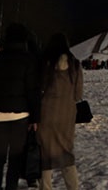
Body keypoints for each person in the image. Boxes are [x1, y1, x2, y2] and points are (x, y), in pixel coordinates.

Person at [0, 23, 41, 190]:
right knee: (15, 157)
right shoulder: (28, 60)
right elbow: (33, 91)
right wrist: (35, 117)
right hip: (20, 116)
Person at [37, 33, 83, 190]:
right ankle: (73, 187)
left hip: (46, 114)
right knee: (66, 152)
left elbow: (39, 88)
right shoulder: (75, 65)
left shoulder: (45, 64)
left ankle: (46, 187)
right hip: (66, 115)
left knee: (45, 153)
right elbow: (78, 94)